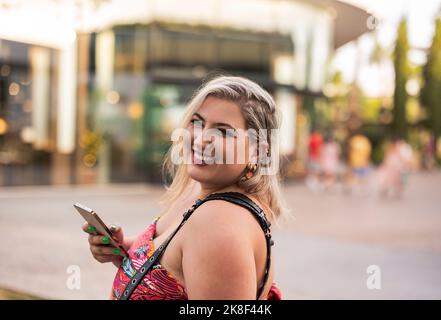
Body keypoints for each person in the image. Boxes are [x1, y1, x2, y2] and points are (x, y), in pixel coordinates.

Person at [82, 76, 287, 300]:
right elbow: (167, 259)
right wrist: (121, 249)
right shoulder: (197, 195)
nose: (200, 140)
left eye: (223, 132)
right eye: (197, 123)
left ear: (257, 151)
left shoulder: (217, 223)